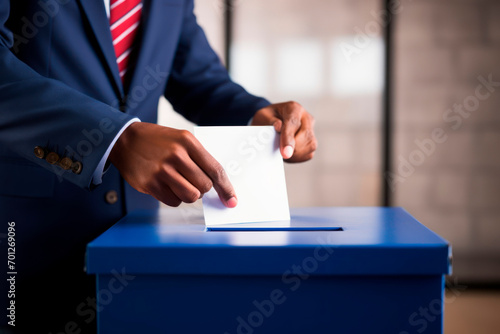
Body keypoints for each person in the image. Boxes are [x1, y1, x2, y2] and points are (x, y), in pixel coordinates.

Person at [0, 0, 317, 332]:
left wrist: (259, 117)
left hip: (134, 246)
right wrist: (116, 137)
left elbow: (198, 80)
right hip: (24, 241)